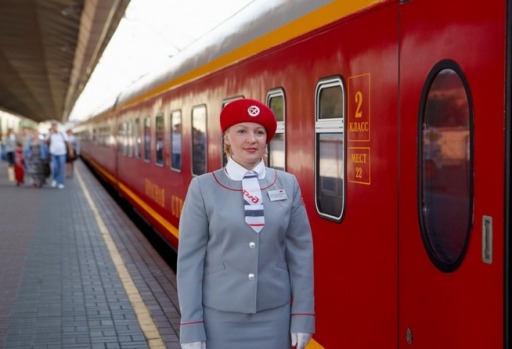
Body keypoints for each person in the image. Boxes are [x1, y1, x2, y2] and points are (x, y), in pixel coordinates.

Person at [177, 98, 315, 349]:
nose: (252, 139)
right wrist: (190, 326)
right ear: (227, 137)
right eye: (242, 131)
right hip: (220, 317)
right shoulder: (203, 188)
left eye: (259, 132)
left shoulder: (288, 184)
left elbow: (301, 254)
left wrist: (303, 316)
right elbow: (189, 262)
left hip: (274, 315)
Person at [45, 122, 69, 189]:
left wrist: (71, 151)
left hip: (62, 153)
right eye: (53, 127)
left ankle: (61, 182)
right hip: (53, 154)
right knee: (55, 168)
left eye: (55, 126)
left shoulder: (62, 133)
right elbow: (45, 141)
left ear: (57, 127)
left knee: (61, 168)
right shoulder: (50, 134)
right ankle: (55, 179)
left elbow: (67, 142)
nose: (54, 128)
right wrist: (50, 134)